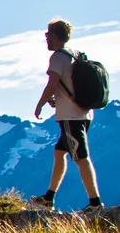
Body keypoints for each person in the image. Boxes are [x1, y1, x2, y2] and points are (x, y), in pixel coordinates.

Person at [29, 19, 103, 213]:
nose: (46, 38)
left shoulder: (57, 57)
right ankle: (49, 197)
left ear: (54, 35)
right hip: (84, 113)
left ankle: (95, 203)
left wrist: (41, 103)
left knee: (81, 157)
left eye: (47, 34)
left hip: (71, 117)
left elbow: (52, 83)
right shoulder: (75, 55)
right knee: (59, 152)